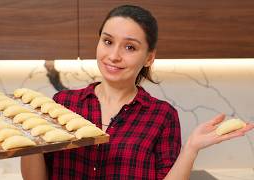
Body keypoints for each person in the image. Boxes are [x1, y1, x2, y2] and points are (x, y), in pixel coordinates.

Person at [21, 5, 254, 180]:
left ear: (149, 57)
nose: (114, 55)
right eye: (108, 41)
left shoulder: (162, 116)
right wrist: (27, 135)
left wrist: (191, 148)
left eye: (130, 47)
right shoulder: (62, 104)